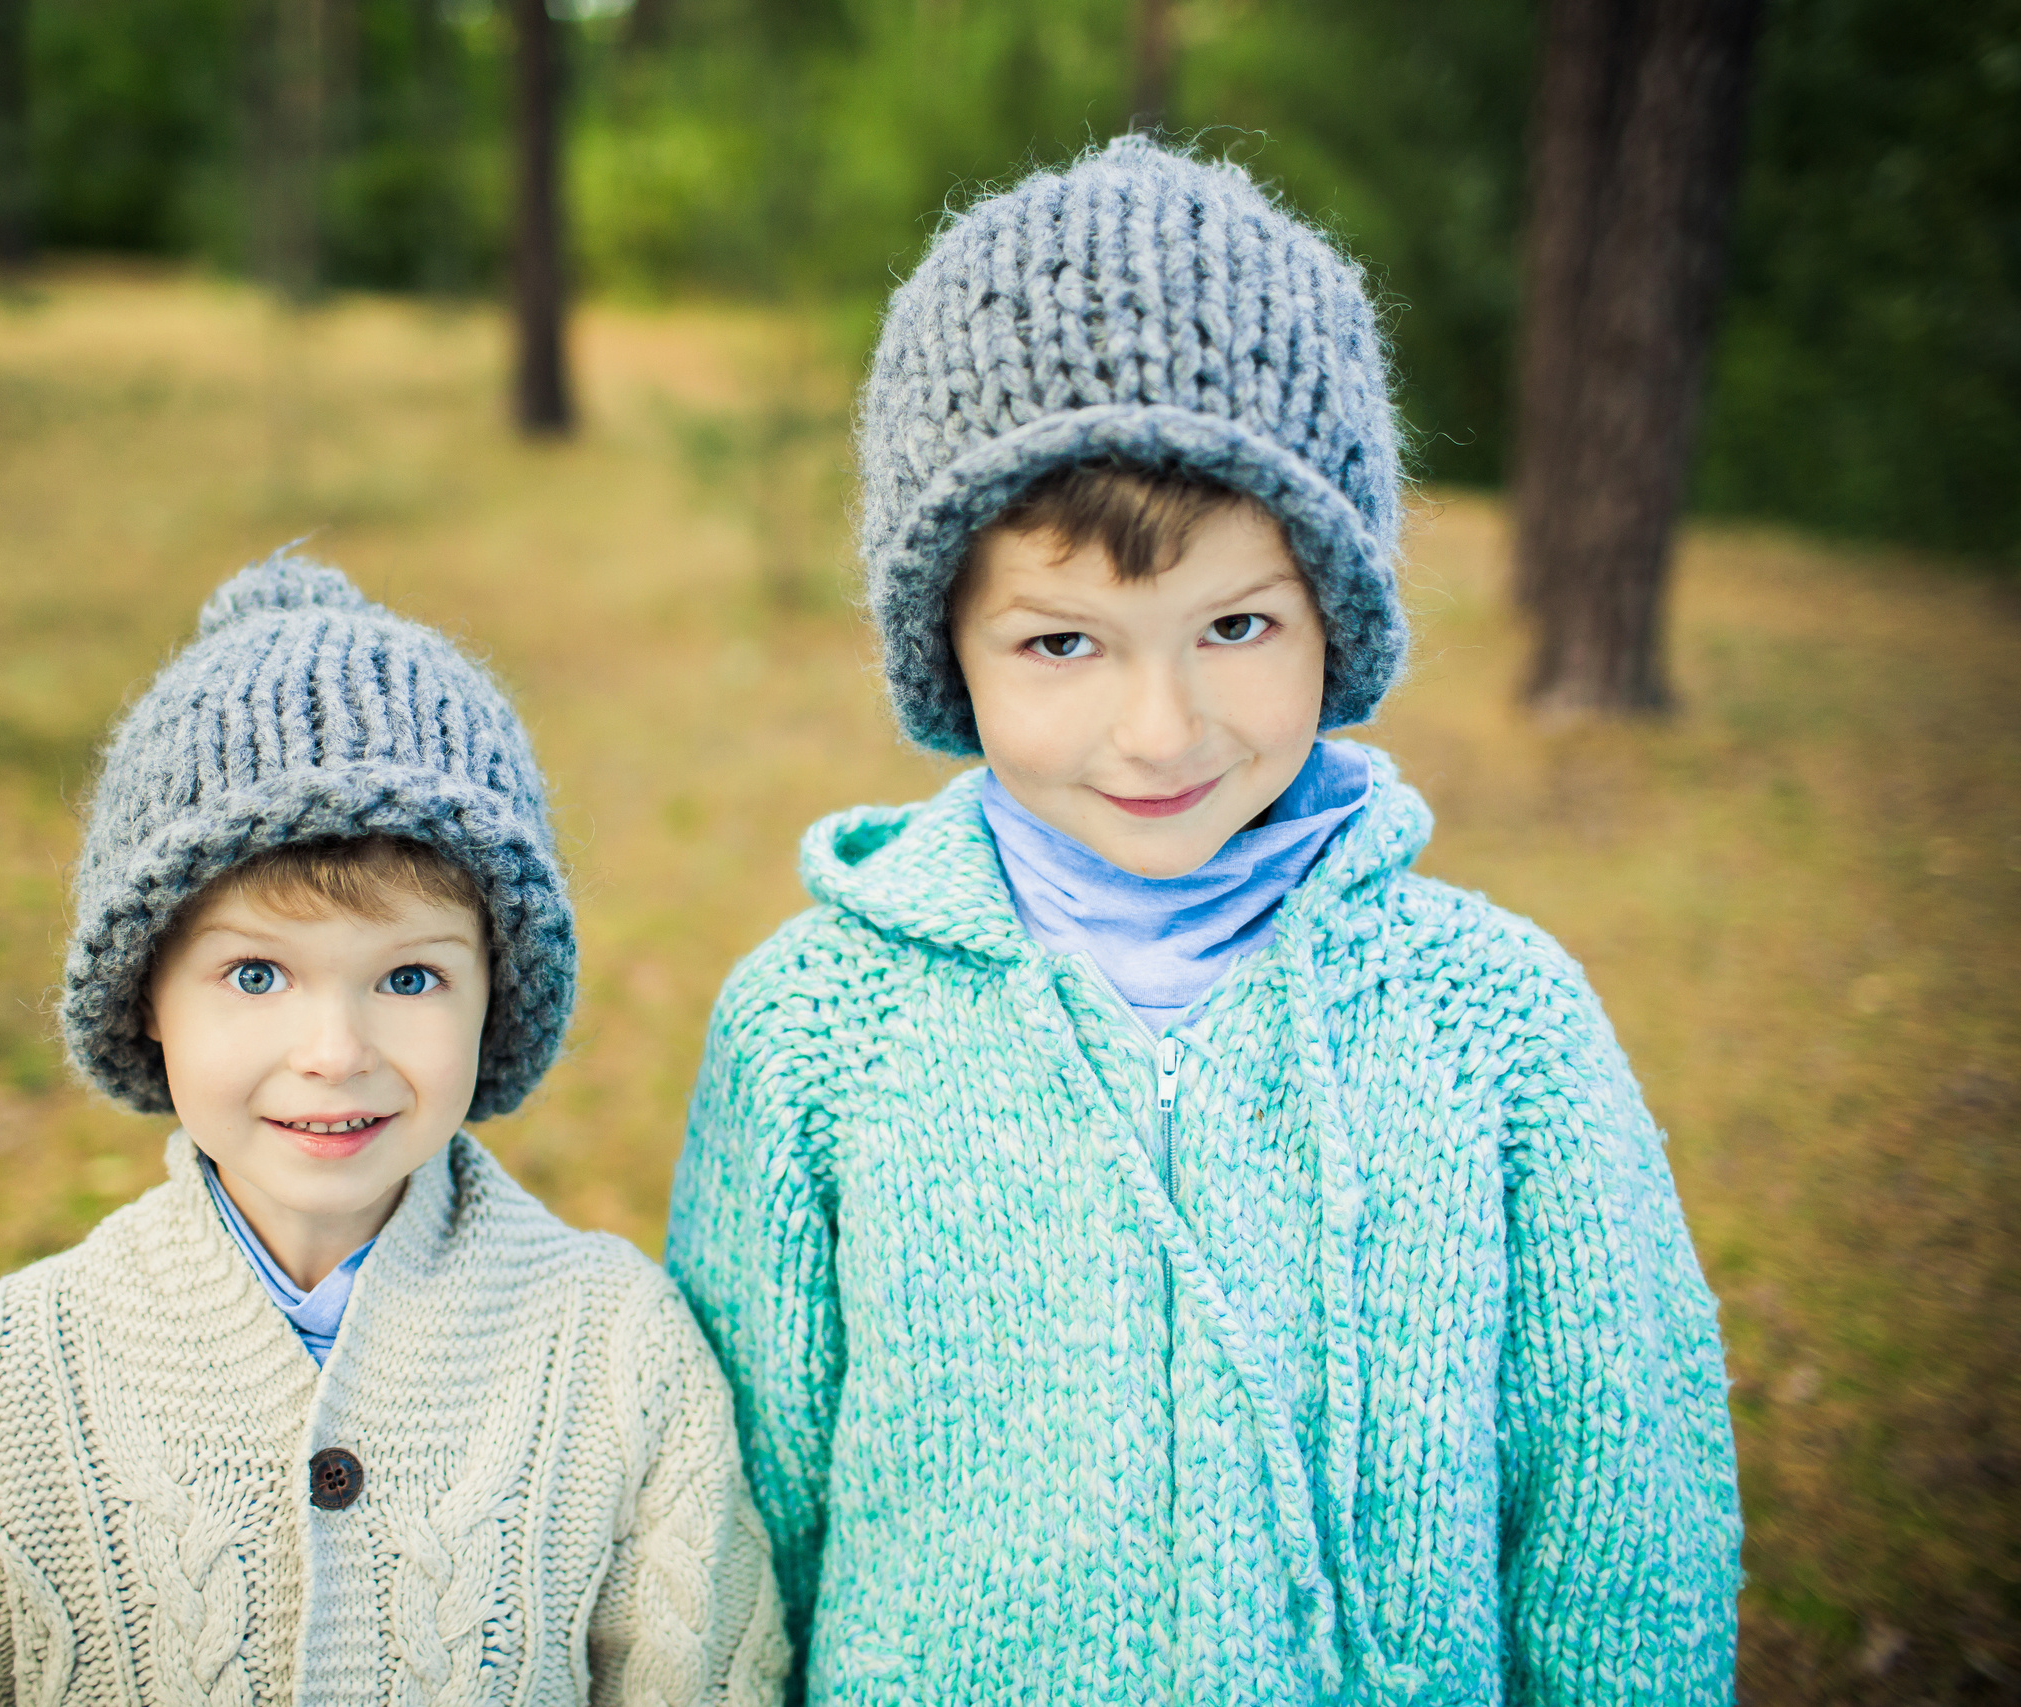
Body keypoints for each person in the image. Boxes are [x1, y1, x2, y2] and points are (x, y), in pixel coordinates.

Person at [666, 137, 1740, 1703]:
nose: (1162, 730)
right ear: (946, 648)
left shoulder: (1498, 1020)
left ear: (1337, 616)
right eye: (1062, 643)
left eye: (1236, 625)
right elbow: (735, 1549)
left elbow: (1621, 1520)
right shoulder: (814, 1031)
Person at [0, 554, 788, 1705]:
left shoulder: (622, 1358)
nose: (335, 1051)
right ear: (146, 995)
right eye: (256, 974)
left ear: (497, 989)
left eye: (408, 977)